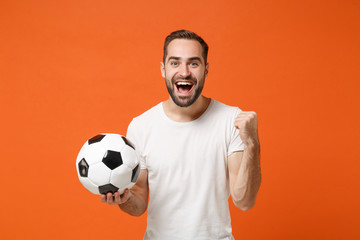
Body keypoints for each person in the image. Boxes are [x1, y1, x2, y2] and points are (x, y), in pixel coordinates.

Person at [101, 30, 261, 240]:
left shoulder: (231, 120)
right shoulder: (140, 126)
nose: (184, 72)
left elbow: (244, 201)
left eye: (193, 63)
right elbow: (138, 205)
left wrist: (252, 143)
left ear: (206, 69)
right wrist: (124, 197)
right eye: (175, 63)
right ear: (163, 69)